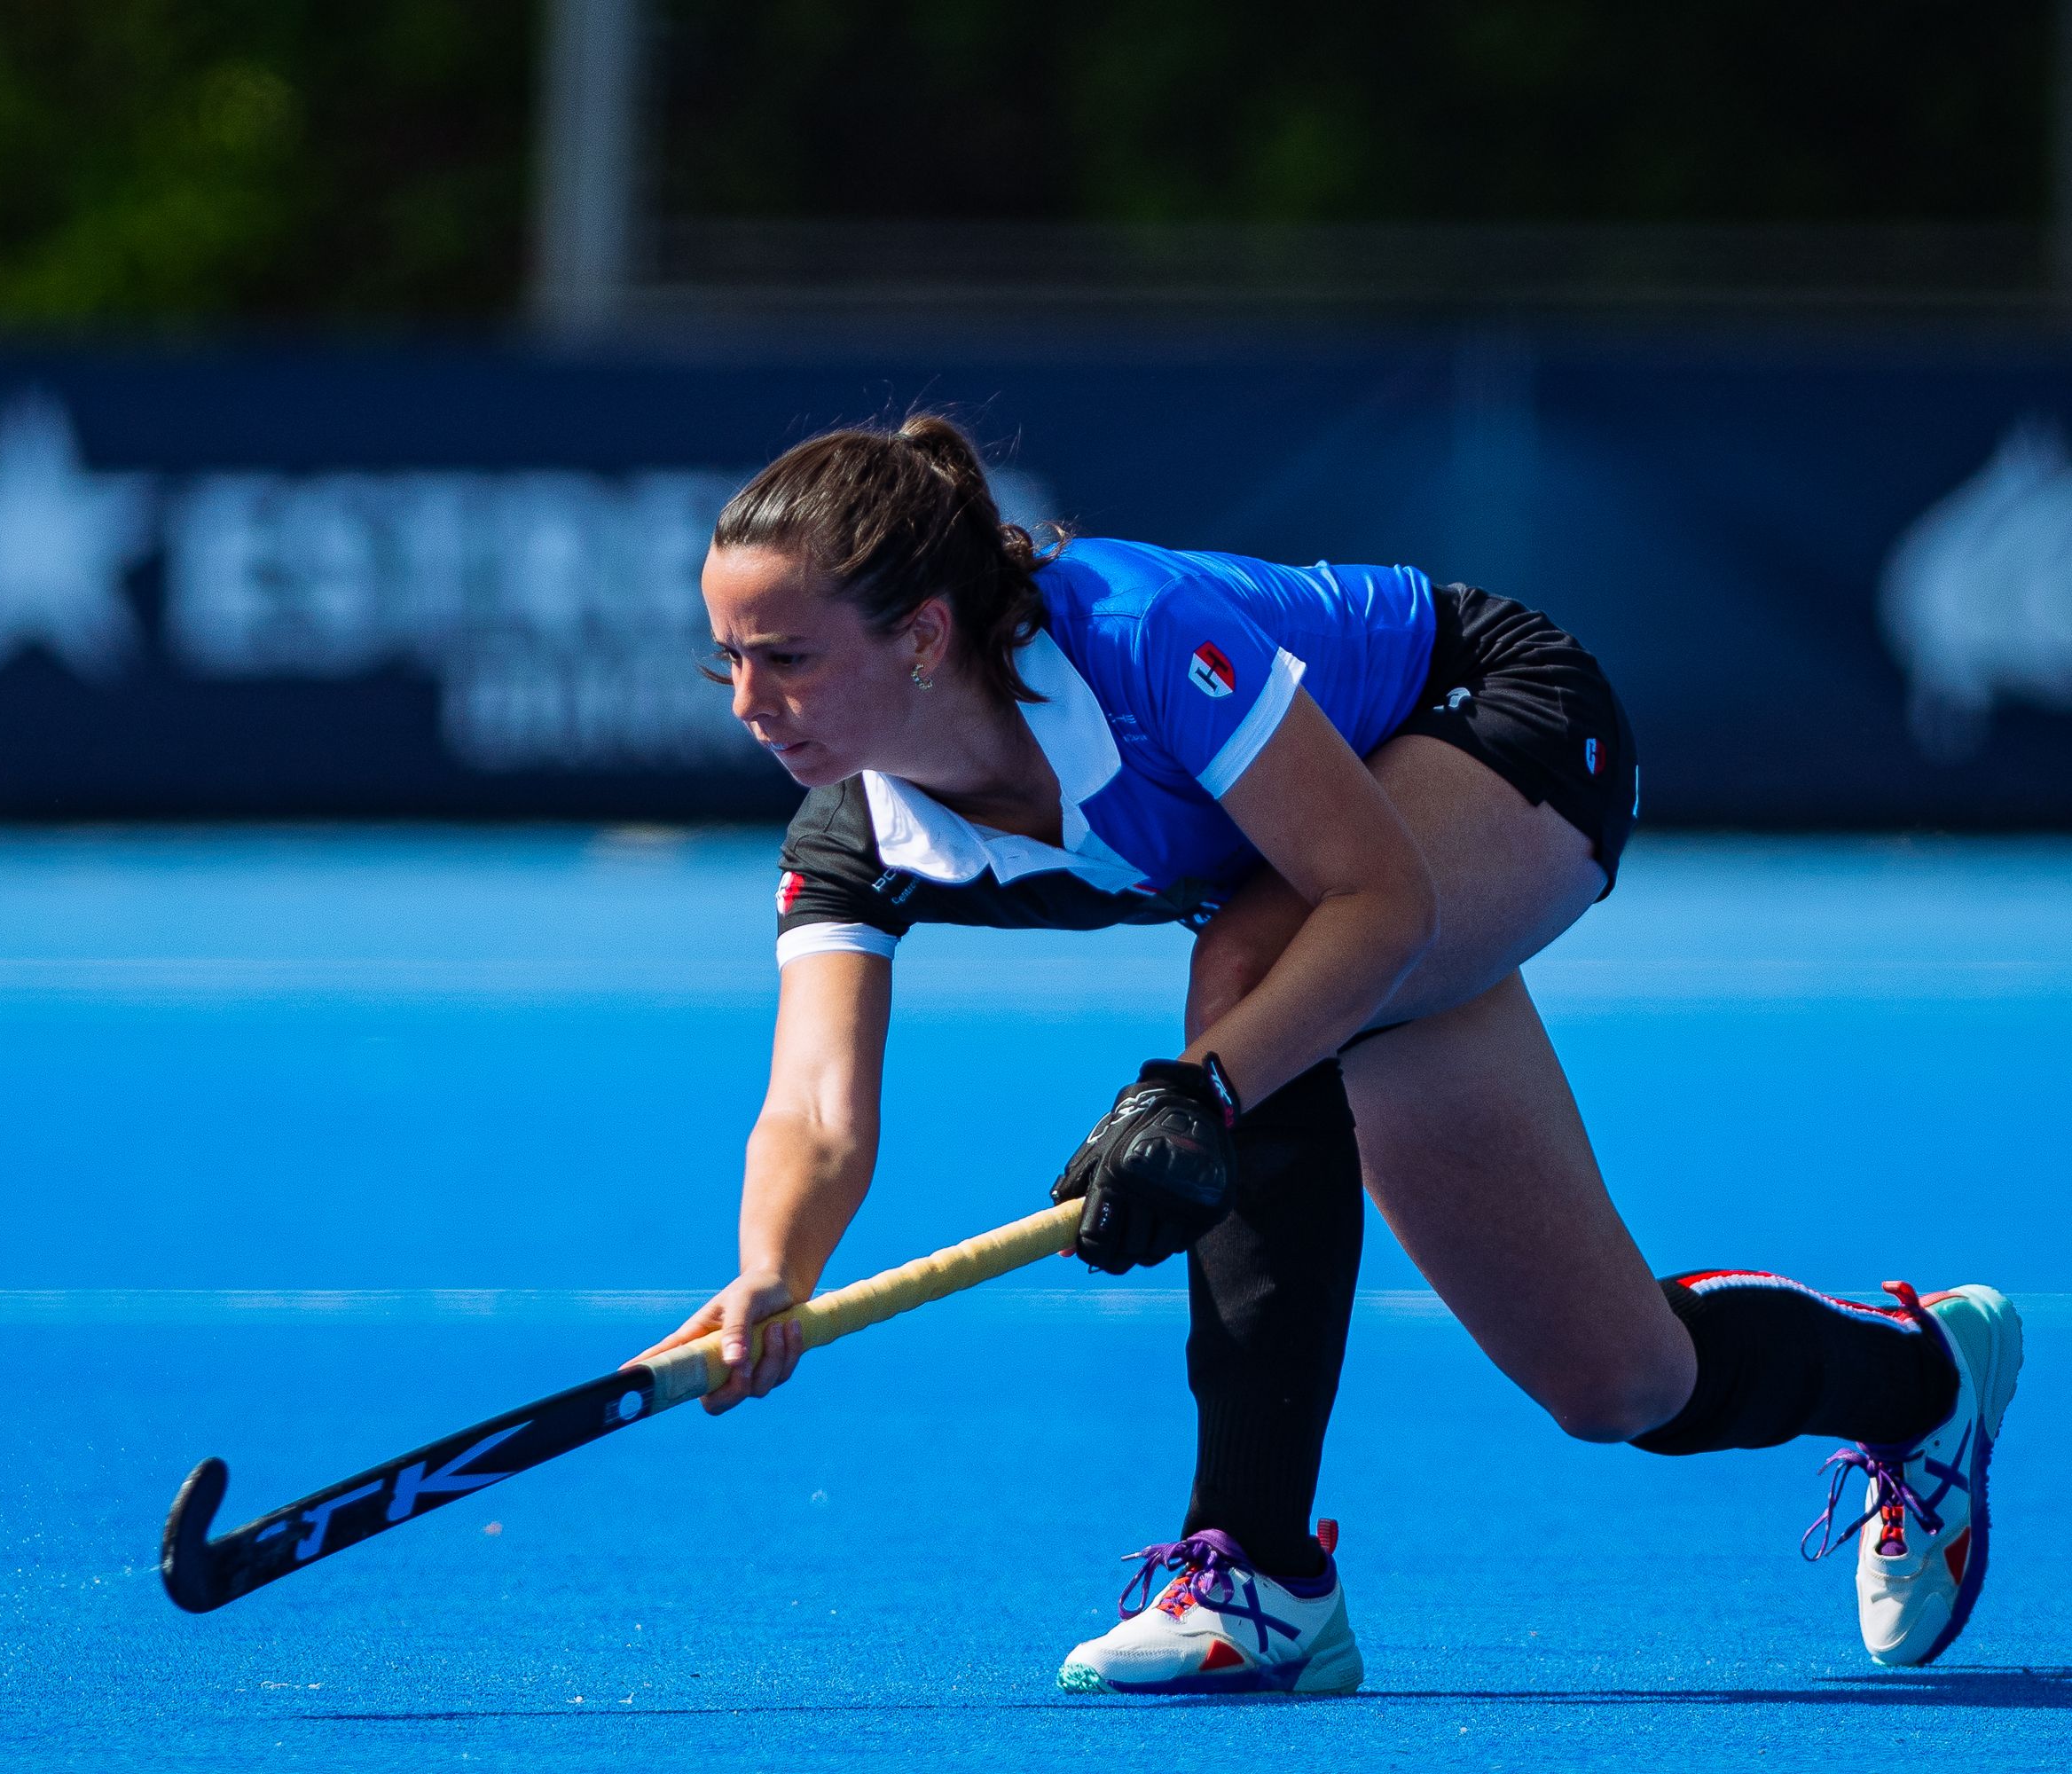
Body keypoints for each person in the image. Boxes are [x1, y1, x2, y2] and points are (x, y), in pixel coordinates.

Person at [631, 413, 2022, 1698]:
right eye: (728, 659)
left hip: (1499, 725)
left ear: (925, 635)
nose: (750, 702)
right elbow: (814, 1108)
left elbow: (1377, 901)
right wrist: (772, 1272)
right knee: (1620, 1384)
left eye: (788, 656)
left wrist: (1199, 1093)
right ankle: (1925, 1377)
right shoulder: (852, 835)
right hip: (1332, 884)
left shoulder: (1136, 636)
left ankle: (1258, 1572)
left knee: (1247, 968)